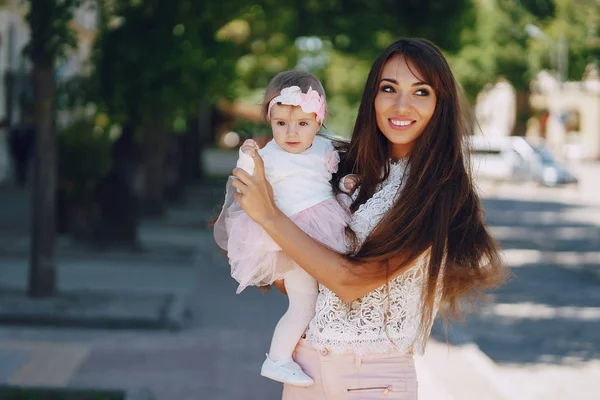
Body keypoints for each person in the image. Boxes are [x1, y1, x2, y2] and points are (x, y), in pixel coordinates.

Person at [231, 38, 509, 399]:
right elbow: (304, 274)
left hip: (372, 380)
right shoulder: (342, 168)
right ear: (372, 98)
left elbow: (350, 283)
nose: (401, 104)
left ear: (441, 104)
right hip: (306, 367)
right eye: (388, 88)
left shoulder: (438, 190)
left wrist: (268, 216)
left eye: (421, 92)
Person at [214, 71, 353, 387]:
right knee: (303, 300)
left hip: (328, 226)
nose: (291, 132)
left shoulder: (324, 150)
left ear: (318, 122)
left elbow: (331, 183)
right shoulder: (267, 156)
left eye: (302, 124)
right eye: (281, 124)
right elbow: (245, 181)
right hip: (290, 235)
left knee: (338, 286)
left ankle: (324, 346)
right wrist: (246, 156)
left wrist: (346, 184)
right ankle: (277, 359)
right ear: (270, 121)